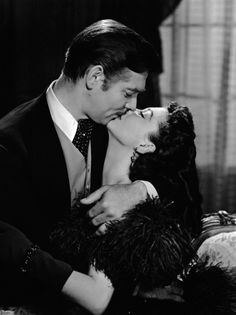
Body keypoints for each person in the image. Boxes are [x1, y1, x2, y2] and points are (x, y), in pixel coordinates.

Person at [0, 19, 160, 312]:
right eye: (129, 92)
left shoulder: (112, 125)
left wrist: (141, 189)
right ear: (95, 77)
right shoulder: (10, 142)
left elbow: (176, 182)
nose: (134, 106)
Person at [50, 103, 235, 315]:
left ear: (146, 146)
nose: (130, 108)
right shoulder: (92, 152)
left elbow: (96, 300)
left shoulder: (119, 210)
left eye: (143, 115)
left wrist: (24, 255)